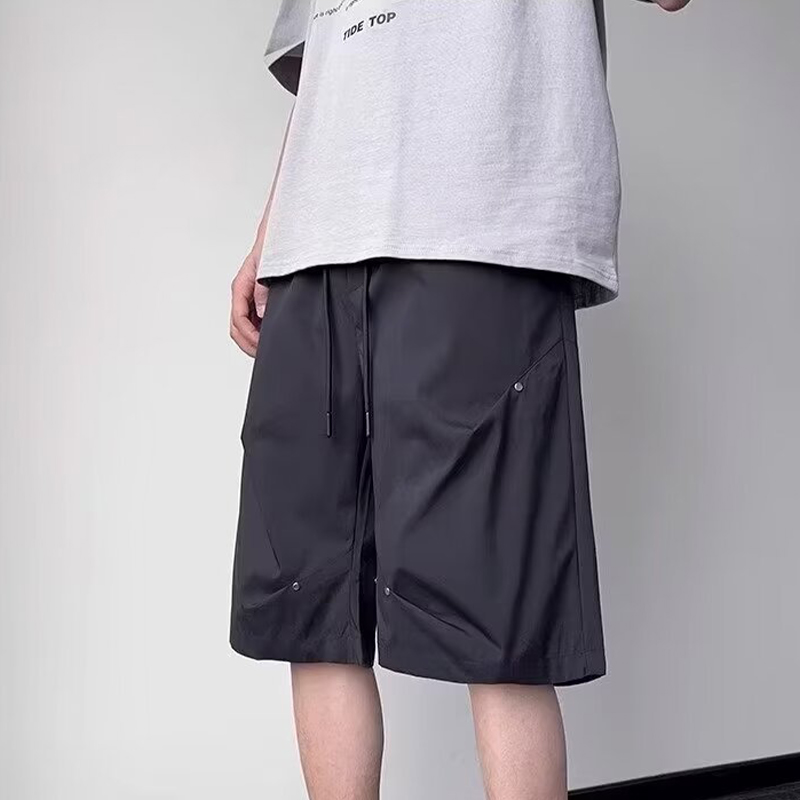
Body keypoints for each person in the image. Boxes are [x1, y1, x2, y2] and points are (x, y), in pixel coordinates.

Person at [228, 0, 691, 797]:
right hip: (314, 244)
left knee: (499, 616)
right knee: (309, 606)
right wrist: (269, 235)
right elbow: (325, 75)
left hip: (482, 219)